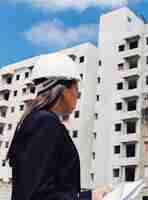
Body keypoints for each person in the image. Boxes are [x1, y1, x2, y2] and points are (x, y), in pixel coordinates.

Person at [6, 52, 112, 200]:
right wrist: (89, 198)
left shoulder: (37, 121)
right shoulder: (44, 123)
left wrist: (89, 195)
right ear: (63, 89)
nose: (78, 94)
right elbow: (37, 195)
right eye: (76, 88)